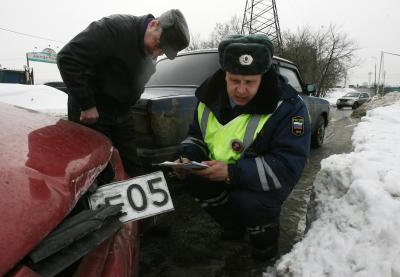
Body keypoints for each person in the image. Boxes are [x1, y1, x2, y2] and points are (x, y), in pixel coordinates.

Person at [173, 34, 311, 261]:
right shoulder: (207, 98)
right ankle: (233, 226)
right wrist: (187, 157)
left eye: (250, 82)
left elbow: (288, 165)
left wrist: (231, 173)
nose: (241, 90)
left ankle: (264, 244)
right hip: (220, 172)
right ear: (224, 75)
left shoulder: (289, 108)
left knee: (249, 202)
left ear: (264, 77)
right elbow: (196, 136)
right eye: (234, 80)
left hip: (264, 182)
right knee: (193, 180)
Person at [57, 9, 190, 179]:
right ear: (154, 24)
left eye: (163, 51)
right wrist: (87, 104)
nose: (157, 53)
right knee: (99, 170)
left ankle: (137, 202)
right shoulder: (114, 29)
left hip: (122, 112)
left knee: (133, 167)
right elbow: (67, 58)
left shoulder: (151, 45)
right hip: (93, 111)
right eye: (158, 45)